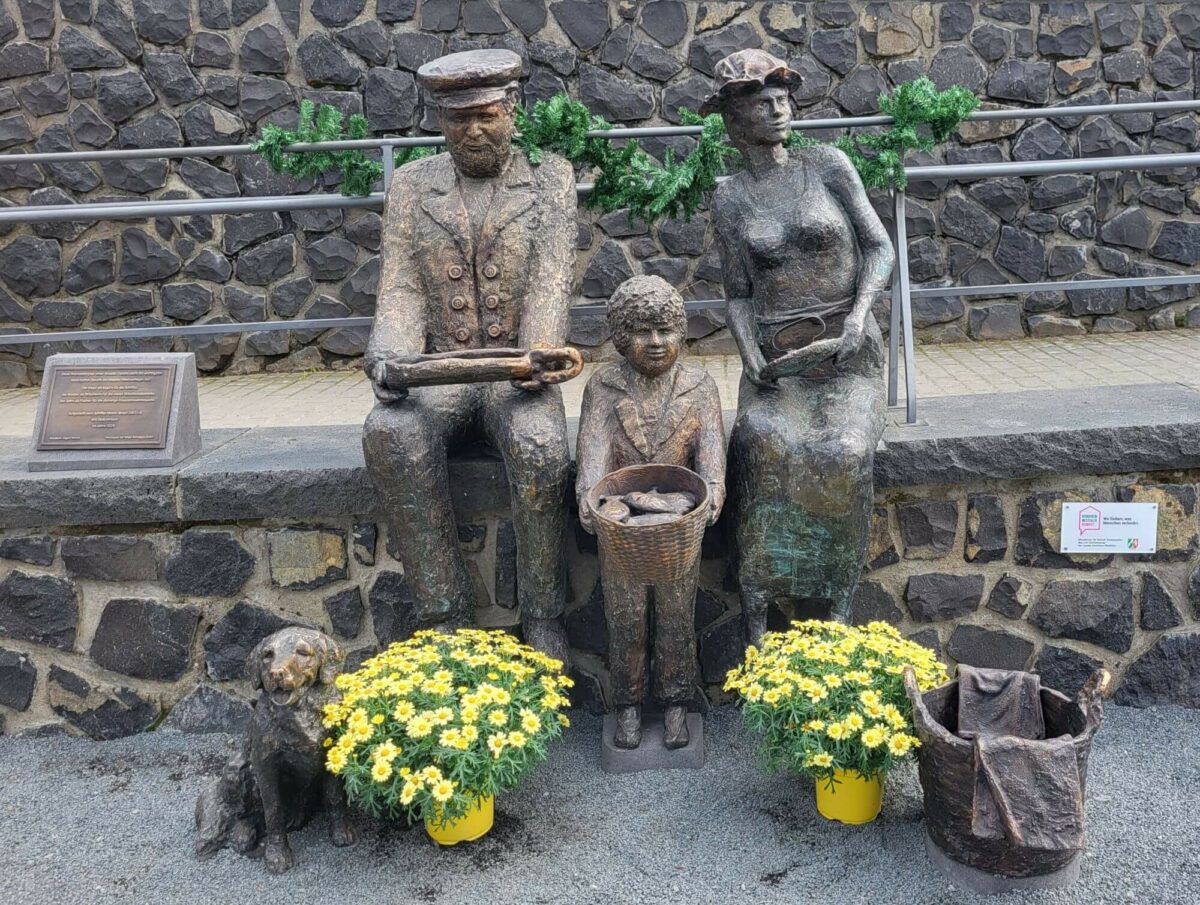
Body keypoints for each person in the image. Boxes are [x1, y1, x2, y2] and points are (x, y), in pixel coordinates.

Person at [361, 50, 576, 661]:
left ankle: (542, 613)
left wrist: (538, 356)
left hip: (517, 374)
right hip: (444, 375)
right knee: (391, 433)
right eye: (457, 120)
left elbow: (550, 279)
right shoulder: (412, 184)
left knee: (540, 447)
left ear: (513, 112)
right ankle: (444, 615)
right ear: (439, 121)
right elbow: (401, 283)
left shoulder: (550, 178)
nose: (472, 131)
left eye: (485, 116)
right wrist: (390, 355)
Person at [704, 49, 895, 645]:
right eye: (761, 101)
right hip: (779, 364)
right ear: (735, 121)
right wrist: (749, 355)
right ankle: (760, 604)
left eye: (782, 97)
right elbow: (737, 292)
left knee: (840, 452)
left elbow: (879, 249)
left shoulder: (829, 165)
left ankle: (833, 601)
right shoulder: (729, 196)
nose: (777, 107)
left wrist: (861, 317)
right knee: (760, 444)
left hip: (847, 355)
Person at [575, 276, 726, 749]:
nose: (656, 343)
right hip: (621, 533)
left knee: (677, 617)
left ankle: (677, 703)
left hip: (679, 532)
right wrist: (591, 503)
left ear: (681, 332)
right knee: (625, 618)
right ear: (621, 336)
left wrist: (708, 501)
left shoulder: (701, 387)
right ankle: (628, 705)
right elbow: (592, 461)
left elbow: (713, 465)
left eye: (665, 330)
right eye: (642, 331)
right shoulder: (603, 387)